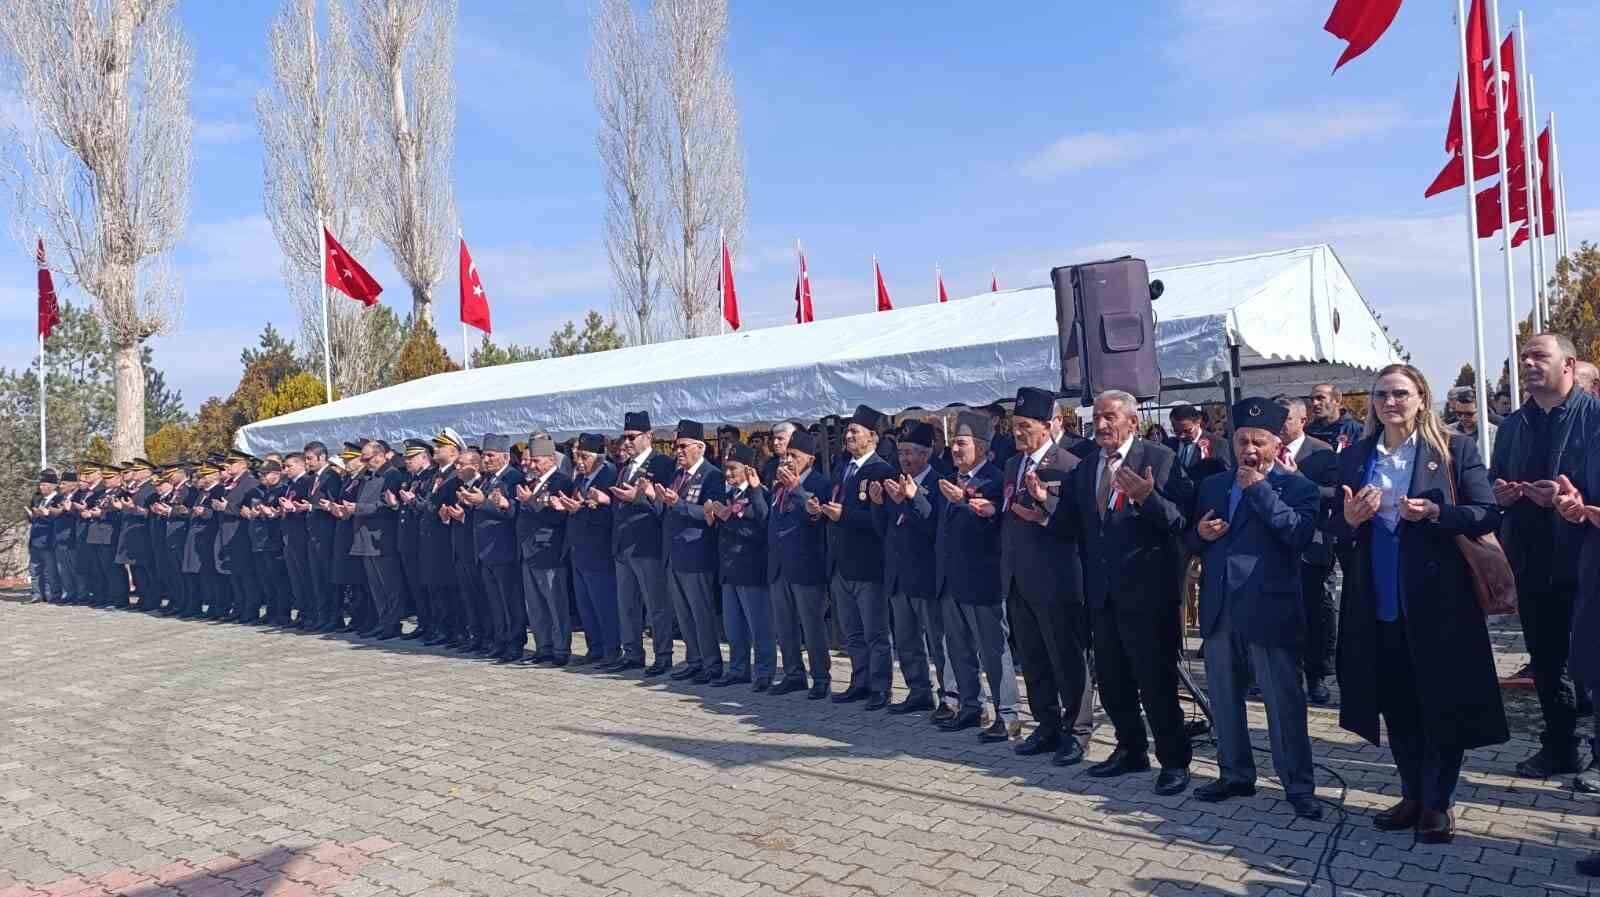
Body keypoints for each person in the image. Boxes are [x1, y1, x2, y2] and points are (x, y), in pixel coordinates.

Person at [1335, 363, 1508, 844]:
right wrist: (1349, 520)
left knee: (1440, 703)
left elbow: (1486, 512)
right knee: (1398, 705)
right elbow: (1336, 532)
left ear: (1420, 397)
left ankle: (1438, 802)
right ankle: (1411, 792)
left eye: (1400, 394)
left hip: (1439, 601)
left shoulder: (1452, 450)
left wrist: (1436, 512)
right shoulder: (1356, 457)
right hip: (1378, 599)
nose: (1391, 403)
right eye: (1382, 394)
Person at [1187, 397, 1322, 819]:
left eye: (1259, 443)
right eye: (1243, 441)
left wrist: (1260, 489)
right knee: (1225, 698)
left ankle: (1298, 785)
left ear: (1277, 443)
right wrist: (1200, 534)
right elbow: (1190, 541)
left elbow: (1298, 536)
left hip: (1269, 608)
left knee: (1283, 704)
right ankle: (1235, 774)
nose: (1249, 450)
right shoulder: (1212, 485)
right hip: (1220, 607)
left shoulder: (1298, 487)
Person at [1054, 389, 1192, 793]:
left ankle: (1174, 760)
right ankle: (1130, 750)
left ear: (1132, 421)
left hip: (1148, 596)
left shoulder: (1159, 460)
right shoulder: (1085, 468)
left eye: (1110, 417)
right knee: (1112, 681)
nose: (1100, 424)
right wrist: (1041, 502)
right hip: (1102, 596)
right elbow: (1072, 525)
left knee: (1156, 682)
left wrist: (1147, 497)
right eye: (1096, 416)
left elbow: (1180, 521)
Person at [1490, 333, 1599, 780]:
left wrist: (1572, 501)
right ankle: (1560, 746)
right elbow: (1497, 476)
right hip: (1533, 559)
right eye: (1524, 358)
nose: (1529, 364)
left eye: (1539, 356)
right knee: (1548, 662)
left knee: (1592, 664)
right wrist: (1502, 491)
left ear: (1569, 365)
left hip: (1587, 559)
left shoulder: (1595, 418)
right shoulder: (1515, 424)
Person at [1000, 387, 1087, 755]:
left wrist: (1045, 502)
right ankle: (1046, 725)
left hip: (1056, 579)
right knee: (1033, 659)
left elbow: (1079, 521)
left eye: (1025, 426)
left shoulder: (1069, 465)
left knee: (1066, 659)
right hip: (1019, 578)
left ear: (1048, 426)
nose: (1019, 433)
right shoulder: (1011, 464)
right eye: (1014, 426)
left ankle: (1076, 731)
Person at [934, 410, 1012, 735]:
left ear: (980, 446)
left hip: (983, 580)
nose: (954, 449)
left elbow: (995, 524)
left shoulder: (995, 479)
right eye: (953, 444)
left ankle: (1007, 715)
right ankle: (970, 706)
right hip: (951, 580)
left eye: (961, 443)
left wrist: (965, 500)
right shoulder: (951, 480)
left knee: (993, 651)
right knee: (959, 648)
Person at [820, 405, 897, 708]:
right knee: (852, 632)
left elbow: (882, 521)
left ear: (872, 437)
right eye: (848, 431)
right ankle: (859, 679)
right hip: (841, 563)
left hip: (868, 564)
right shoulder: (843, 468)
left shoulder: (882, 470)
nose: (849, 436)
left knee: (875, 631)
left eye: (854, 432)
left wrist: (845, 515)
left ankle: (881, 686)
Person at [871, 422, 948, 716]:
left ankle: (948, 695)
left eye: (908, 453)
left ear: (925, 455)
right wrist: (879, 505)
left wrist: (909, 499)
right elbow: (885, 531)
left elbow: (931, 527)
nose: (902, 459)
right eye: (900, 453)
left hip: (924, 575)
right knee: (905, 640)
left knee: (937, 642)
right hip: (898, 576)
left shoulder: (939, 483)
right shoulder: (897, 481)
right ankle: (918, 691)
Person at [602, 412, 679, 675]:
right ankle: (632, 652)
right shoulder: (625, 467)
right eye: (624, 437)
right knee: (627, 604)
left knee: (655, 605)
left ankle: (663, 654)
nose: (627, 442)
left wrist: (640, 496)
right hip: (623, 544)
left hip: (648, 545)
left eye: (632, 437)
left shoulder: (663, 465)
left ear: (648, 436)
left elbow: (664, 507)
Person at [1279, 396, 1341, 705]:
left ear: (1302, 421)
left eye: (1286, 420)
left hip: (1312, 544)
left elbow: (1334, 495)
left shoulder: (1322, 453)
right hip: (1275, 547)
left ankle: (1317, 676)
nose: (1280, 426)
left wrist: (1297, 479)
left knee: (1315, 614)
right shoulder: (1264, 448)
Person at [652, 419, 726, 682]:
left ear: (700, 447)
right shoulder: (676, 474)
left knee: (701, 613)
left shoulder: (712, 475)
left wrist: (679, 503)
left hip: (697, 554)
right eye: (676, 446)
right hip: (675, 554)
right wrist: (658, 499)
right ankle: (694, 659)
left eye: (683, 446)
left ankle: (711, 664)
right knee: (683, 613)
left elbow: (710, 513)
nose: (678, 451)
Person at [767, 429, 833, 697]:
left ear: (810, 459)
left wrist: (796, 489)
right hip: (779, 565)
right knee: (784, 625)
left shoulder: (818, 483)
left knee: (812, 625)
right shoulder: (779, 483)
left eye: (795, 455)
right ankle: (793, 673)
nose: (789, 460)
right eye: (787, 455)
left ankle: (821, 677)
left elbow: (816, 516)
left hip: (806, 565)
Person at [705, 441, 773, 689]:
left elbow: (760, 531)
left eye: (733, 468)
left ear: (748, 469)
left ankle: (764, 671)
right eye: (726, 468)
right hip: (729, 569)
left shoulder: (759, 494)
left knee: (759, 625)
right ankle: (738, 668)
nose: (728, 473)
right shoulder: (728, 495)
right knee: (734, 626)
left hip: (751, 569)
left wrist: (729, 520)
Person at [552, 433, 621, 666]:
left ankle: (611, 649)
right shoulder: (580, 478)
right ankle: (595, 647)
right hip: (578, 549)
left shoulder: (609, 474)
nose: (579, 461)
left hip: (599, 551)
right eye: (576, 456)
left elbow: (610, 514)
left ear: (598, 457)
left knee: (604, 604)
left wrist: (581, 508)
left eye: (583, 456)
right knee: (586, 605)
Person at [463, 434, 526, 662]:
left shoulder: (513, 478)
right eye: (484, 455)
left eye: (491, 455)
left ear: (505, 456)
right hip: (484, 549)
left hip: (504, 549)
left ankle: (515, 642)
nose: (486, 460)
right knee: (495, 602)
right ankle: (500, 640)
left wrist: (484, 503)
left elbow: (512, 512)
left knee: (510, 601)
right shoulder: (485, 479)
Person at [516, 433, 575, 665]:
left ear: (551, 459)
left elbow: (557, 518)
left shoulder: (561, 482)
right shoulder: (532, 482)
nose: (532, 465)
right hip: (528, 550)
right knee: (535, 605)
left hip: (548, 551)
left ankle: (561, 649)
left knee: (555, 602)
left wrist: (531, 501)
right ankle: (543, 647)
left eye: (537, 461)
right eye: (531, 461)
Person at [1166, 404, 1233, 475]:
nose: (1182, 436)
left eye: (1187, 431)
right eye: (1176, 431)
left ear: (1198, 422)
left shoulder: (1219, 444)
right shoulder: (1168, 445)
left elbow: (1227, 475)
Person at [26, 469, 61, 604]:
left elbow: (58, 519)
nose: (42, 487)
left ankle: (51, 594)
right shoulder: (38, 499)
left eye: (45, 485)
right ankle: (37, 594)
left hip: (49, 539)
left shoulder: (58, 499)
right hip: (35, 540)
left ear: (53, 486)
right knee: (34, 569)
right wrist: (32, 515)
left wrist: (45, 515)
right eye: (41, 485)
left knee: (49, 571)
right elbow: (34, 518)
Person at [1443, 385, 1498, 456]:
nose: (1463, 418)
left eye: (1468, 414)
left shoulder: (1494, 432)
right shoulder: (1447, 432)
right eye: (1459, 414)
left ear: (1481, 411)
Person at [1308, 383, 1364, 452]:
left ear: (1337, 400)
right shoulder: (1308, 431)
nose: (1314, 403)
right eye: (1312, 399)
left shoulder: (1356, 430)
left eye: (1320, 398)